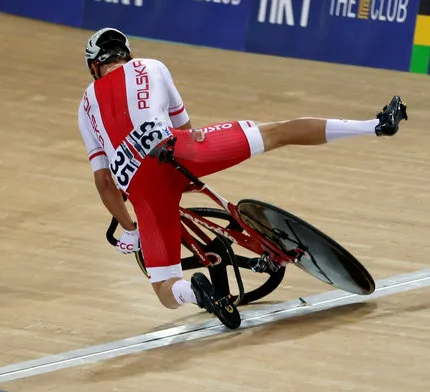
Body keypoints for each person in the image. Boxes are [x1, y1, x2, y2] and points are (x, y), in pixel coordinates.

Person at [77, 27, 408, 319]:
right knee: (278, 131)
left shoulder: (86, 105)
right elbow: (186, 128)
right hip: (178, 151)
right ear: (127, 53)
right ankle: (375, 126)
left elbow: (104, 181)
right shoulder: (152, 67)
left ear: (95, 66)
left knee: (164, 285)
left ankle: (195, 294)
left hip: (140, 187)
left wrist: (129, 228)